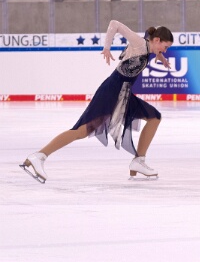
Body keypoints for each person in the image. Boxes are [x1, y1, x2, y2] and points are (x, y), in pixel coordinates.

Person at [20, 22, 173, 183]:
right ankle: (40, 156)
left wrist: (160, 56)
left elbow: (154, 33)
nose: (165, 50)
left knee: (154, 117)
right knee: (81, 131)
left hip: (123, 95)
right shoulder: (139, 43)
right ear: (157, 40)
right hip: (110, 92)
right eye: (165, 47)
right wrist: (107, 47)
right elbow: (115, 24)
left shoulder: (148, 45)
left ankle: (139, 161)